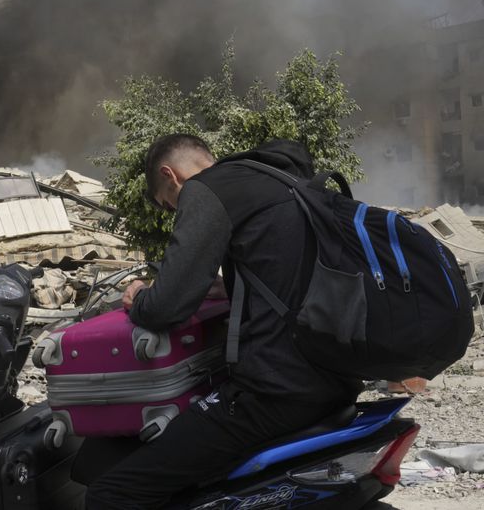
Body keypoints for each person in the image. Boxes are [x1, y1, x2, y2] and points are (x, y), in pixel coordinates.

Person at [85, 134, 363, 510]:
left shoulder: (205, 190)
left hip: (277, 390)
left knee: (111, 493)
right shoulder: (281, 180)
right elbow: (289, 274)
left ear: (172, 175)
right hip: (334, 375)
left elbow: (167, 307)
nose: (175, 210)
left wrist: (140, 299)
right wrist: (233, 286)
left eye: (170, 205)